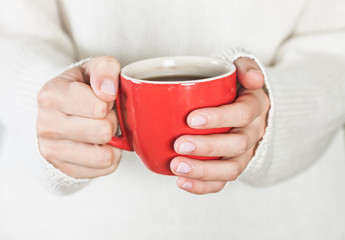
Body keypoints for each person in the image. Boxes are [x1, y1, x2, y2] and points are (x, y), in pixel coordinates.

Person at [0, 0, 344, 239]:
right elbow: (10, 31)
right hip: (57, 227)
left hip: (291, 224)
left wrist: (270, 112)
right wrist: (47, 105)